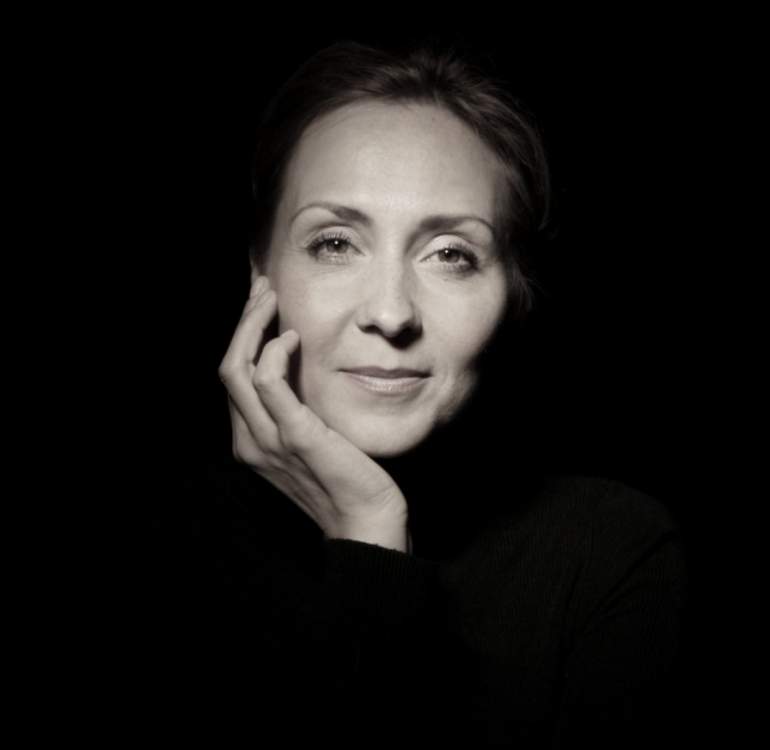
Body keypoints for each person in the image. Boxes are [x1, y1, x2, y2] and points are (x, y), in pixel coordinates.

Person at [150, 37, 688, 748]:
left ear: (514, 292)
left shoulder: (607, 554)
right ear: (260, 271)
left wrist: (369, 534)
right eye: (335, 243)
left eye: (451, 255)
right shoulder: (163, 550)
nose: (392, 313)